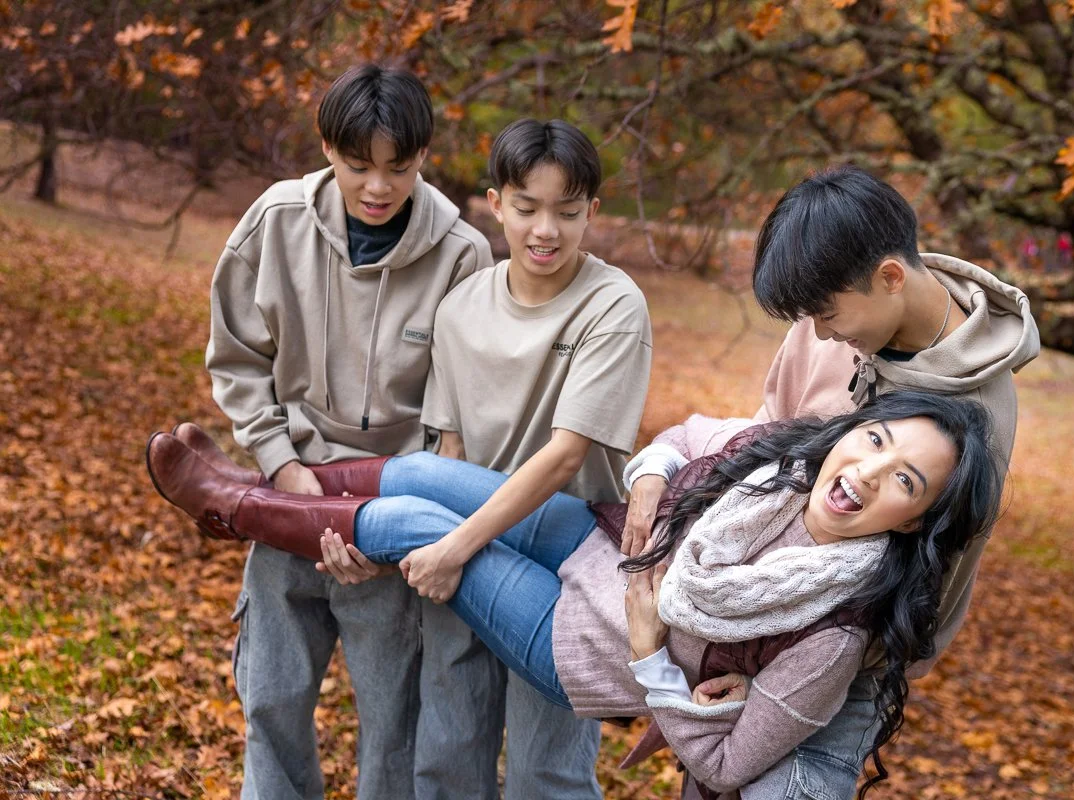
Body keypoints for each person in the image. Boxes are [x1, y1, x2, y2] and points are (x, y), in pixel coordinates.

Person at [145, 391, 1004, 799]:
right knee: (425, 473)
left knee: (413, 522)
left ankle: (234, 508)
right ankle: (252, 485)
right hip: (601, 544)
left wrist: (650, 653)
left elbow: (723, 767)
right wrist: (652, 476)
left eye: (905, 481)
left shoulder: (835, 633)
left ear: (915, 522)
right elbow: (685, 435)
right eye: (876, 440)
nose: (867, 472)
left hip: (579, 644)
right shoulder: (786, 457)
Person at [620, 164, 1040, 798]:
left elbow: (933, 578)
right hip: (742, 618)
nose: (818, 333)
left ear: (890, 278)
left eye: (826, 315)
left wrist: (780, 669)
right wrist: (662, 463)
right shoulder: (838, 301)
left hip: (840, 664)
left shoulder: (978, 409)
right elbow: (766, 435)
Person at [202, 63, 492, 799]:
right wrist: (280, 463)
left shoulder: (463, 254)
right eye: (358, 165)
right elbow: (237, 357)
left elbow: (456, 416)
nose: (377, 186)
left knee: (393, 724)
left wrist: (388, 528)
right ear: (327, 146)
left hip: (393, 515)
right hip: (289, 492)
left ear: (423, 156)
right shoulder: (275, 220)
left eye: (398, 167)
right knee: (270, 699)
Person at [352, 117, 652, 799]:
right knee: (447, 755)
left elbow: (566, 454)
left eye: (567, 212)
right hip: (463, 549)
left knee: (544, 774)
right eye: (526, 208)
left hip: (564, 563)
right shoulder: (460, 308)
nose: (546, 230)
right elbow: (450, 451)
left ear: (592, 212)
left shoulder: (613, 305)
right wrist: (452, 552)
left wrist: (453, 546)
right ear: (495, 204)